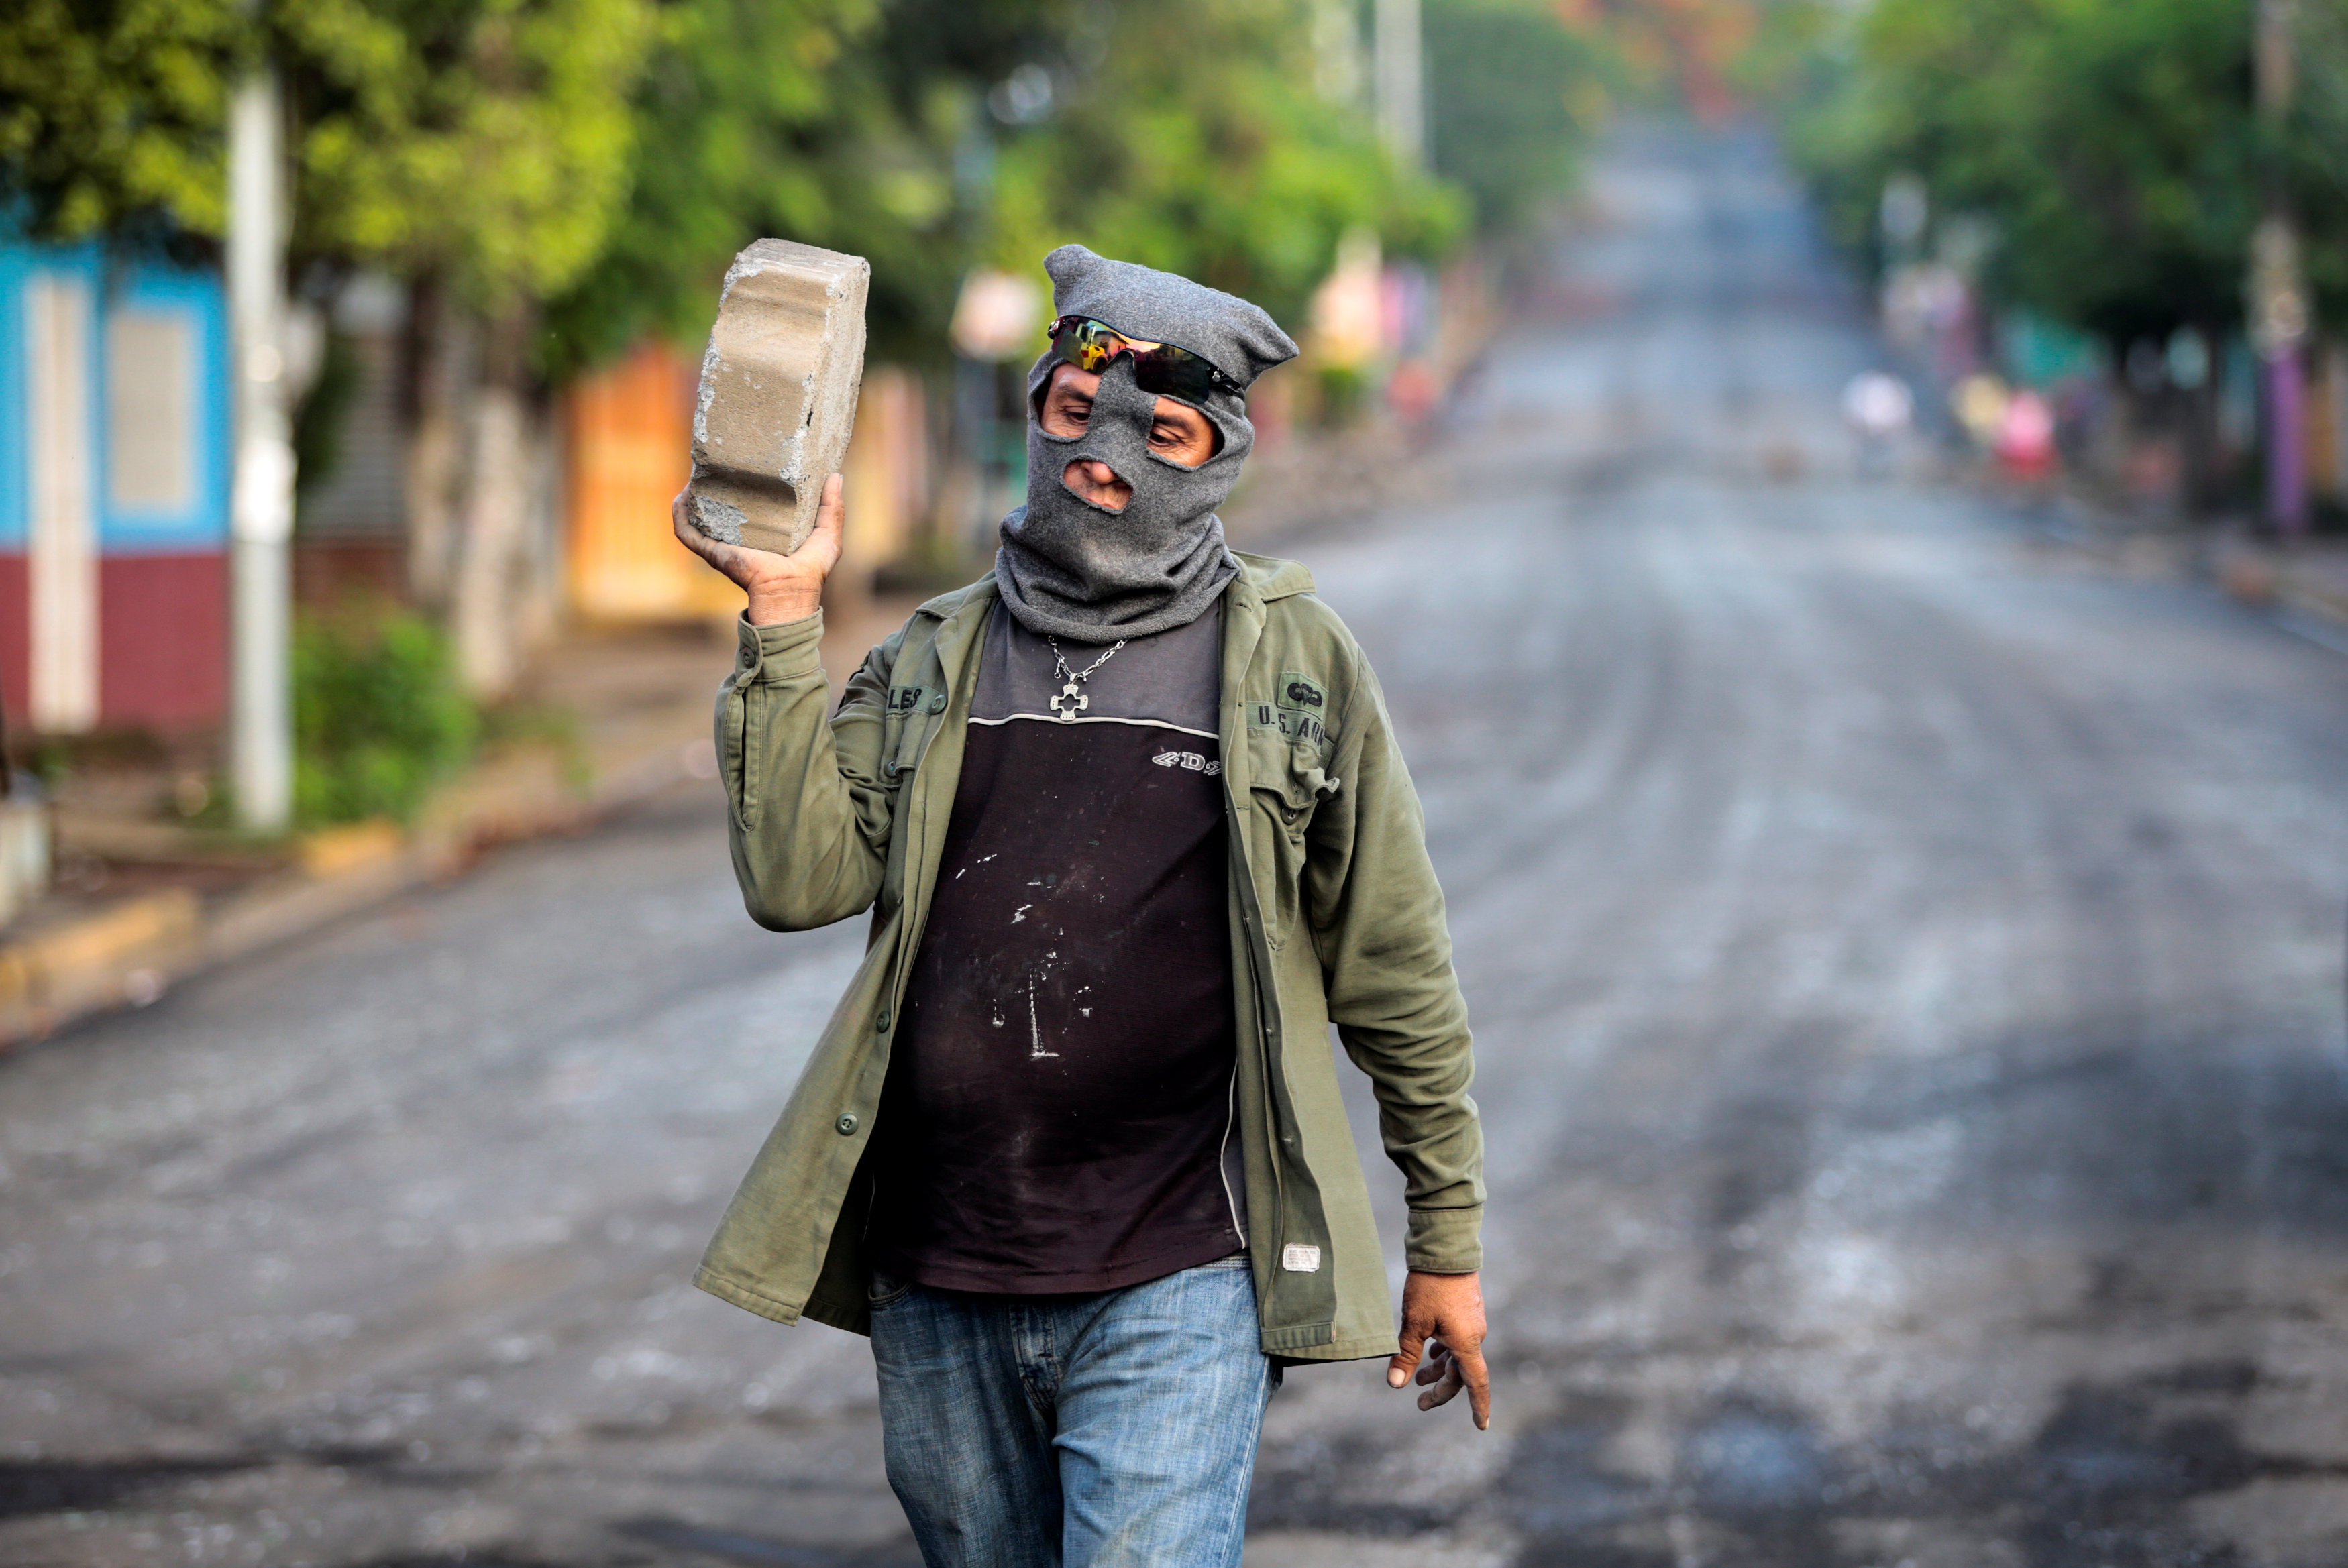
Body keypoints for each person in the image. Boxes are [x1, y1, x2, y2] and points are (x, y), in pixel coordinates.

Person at [674, 245, 1487, 1568]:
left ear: (1217, 457)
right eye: (1073, 414)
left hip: (1184, 1271)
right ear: (1039, 414)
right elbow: (796, 881)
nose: (1103, 457)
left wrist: (1443, 1240)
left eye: (1158, 431)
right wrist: (781, 615)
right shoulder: (935, 652)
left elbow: (1394, 964)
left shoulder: (1288, 660)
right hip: (939, 1267)